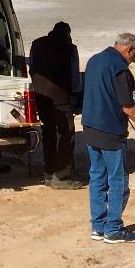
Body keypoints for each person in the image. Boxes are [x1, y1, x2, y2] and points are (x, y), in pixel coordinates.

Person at [82, 32, 135, 243]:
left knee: (97, 178)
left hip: (90, 126)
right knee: (118, 181)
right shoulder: (119, 67)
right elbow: (128, 108)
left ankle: (98, 226)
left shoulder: (95, 59)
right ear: (129, 49)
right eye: (134, 55)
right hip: (110, 130)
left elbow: (105, 84)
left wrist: (130, 84)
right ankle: (113, 229)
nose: (134, 60)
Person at [29, 21, 81, 186]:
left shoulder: (36, 43)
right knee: (65, 134)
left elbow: (32, 67)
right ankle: (61, 176)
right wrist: (74, 95)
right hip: (60, 97)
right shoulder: (70, 48)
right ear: (67, 34)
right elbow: (75, 77)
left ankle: (49, 171)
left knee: (48, 133)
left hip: (40, 96)